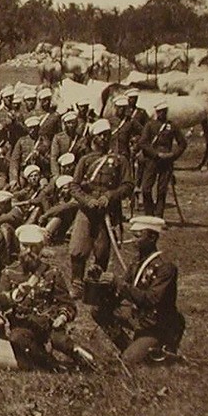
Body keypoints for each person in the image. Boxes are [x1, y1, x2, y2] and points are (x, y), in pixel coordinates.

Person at [0, 224, 92, 370]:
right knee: (17, 338)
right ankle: (53, 366)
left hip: (49, 325)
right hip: (23, 326)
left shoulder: (52, 273)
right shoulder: (9, 273)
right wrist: (16, 294)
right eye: (25, 246)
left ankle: (90, 363)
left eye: (34, 247)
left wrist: (62, 317)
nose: (29, 251)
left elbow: (68, 304)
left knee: (62, 342)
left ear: (41, 247)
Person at [91, 215, 185, 365]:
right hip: (141, 318)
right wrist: (102, 283)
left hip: (159, 325)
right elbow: (121, 293)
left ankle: (161, 348)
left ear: (152, 237)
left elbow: (150, 299)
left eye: (138, 236)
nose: (134, 240)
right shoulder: (136, 263)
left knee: (129, 361)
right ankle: (130, 348)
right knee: (99, 310)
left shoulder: (165, 267)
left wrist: (118, 283)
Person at [67, 119, 134, 297]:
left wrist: (109, 197)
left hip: (108, 212)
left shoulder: (120, 161)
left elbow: (128, 185)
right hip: (87, 211)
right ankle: (77, 284)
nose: (104, 138)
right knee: (77, 249)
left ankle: (96, 285)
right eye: (100, 135)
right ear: (93, 138)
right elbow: (74, 186)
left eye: (106, 135)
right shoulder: (85, 160)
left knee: (102, 250)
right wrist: (88, 200)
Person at [137, 100, 186, 217]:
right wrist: (156, 154)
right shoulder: (150, 125)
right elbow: (143, 143)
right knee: (146, 189)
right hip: (152, 160)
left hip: (167, 161)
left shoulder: (172, 126)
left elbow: (182, 143)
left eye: (163, 112)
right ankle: (149, 214)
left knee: (162, 190)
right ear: (156, 112)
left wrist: (173, 155)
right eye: (159, 112)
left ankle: (159, 216)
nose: (161, 114)